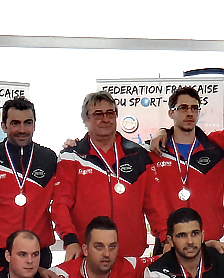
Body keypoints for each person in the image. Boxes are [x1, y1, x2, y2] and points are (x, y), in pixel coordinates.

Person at [54, 91, 153, 262]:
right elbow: (60, 205)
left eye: (110, 113)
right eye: (98, 114)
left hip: (130, 255)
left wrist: (166, 238)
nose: (105, 119)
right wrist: (70, 240)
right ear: (85, 119)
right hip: (87, 254)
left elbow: (154, 204)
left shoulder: (138, 155)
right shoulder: (72, 157)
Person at [0, 97, 57, 271]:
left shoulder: (49, 159)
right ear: (3, 126)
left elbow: (61, 201)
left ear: (34, 125)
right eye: (15, 123)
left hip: (37, 254)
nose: (22, 130)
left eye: (28, 123)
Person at [144, 87, 224, 252]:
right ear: (171, 113)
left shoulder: (216, 153)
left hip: (209, 243)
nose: (189, 113)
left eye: (194, 108)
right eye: (183, 108)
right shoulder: (153, 153)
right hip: (168, 243)